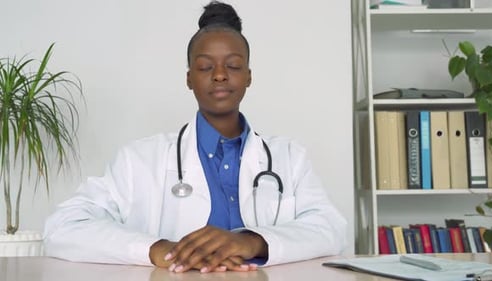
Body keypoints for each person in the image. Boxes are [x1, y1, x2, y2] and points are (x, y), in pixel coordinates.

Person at [43, 0, 347, 273]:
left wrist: (252, 242)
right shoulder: (139, 159)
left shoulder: (289, 156)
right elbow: (63, 227)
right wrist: (159, 249)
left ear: (248, 76)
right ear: (189, 77)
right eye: (205, 66)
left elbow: (331, 229)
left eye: (233, 65)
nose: (219, 75)